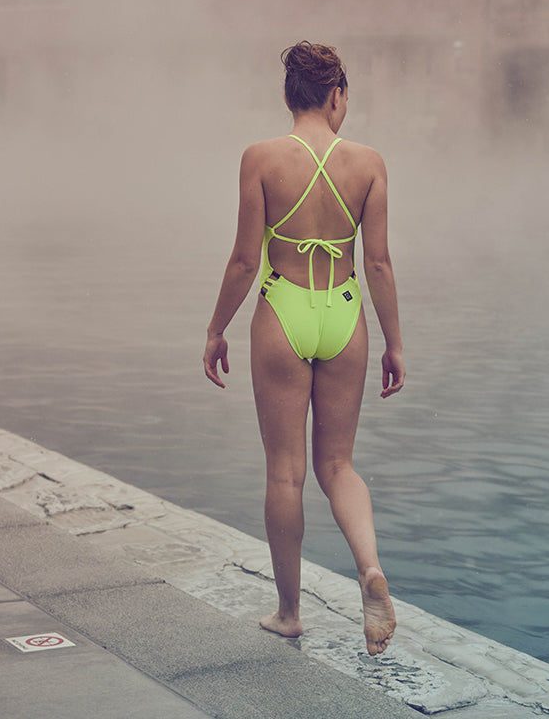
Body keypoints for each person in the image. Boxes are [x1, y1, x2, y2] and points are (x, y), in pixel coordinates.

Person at [203, 41, 404, 653]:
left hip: (284, 311)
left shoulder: (261, 158)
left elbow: (243, 260)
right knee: (338, 465)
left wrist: (215, 329)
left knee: (285, 473)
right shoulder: (368, 163)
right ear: (336, 95)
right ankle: (369, 568)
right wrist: (395, 343)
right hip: (344, 315)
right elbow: (378, 263)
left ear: (290, 96)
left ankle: (289, 613)